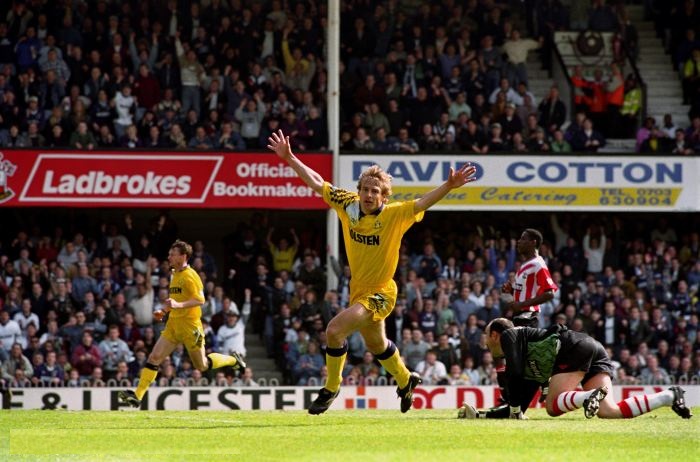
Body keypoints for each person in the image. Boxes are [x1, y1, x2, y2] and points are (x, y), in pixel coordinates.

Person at [267, 129, 477, 414]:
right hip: (359, 290)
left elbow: (422, 202)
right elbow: (318, 183)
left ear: (384, 197)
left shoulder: (395, 214)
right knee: (377, 345)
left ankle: (330, 387)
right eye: (365, 189)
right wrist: (290, 157)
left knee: (334, 331)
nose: (368, 194)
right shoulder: (347, 204)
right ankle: (405, 380)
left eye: (374, 191)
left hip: (381, 292)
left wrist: (448, 186)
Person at [460, 318, 692, 420]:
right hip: (591, 348)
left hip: (574, 348)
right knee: (609, 411)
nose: (484, 342)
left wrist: (502, 369)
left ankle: (586, 397)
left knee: (552, 406)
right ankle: (669, 396)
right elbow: (518, 408)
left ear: (494, 335)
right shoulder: (525, 353)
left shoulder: (511, 335)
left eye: (485, 336)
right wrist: (481, 414)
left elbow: (516, 374)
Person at [118, 240, 246, 407]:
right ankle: (137, 396)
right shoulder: (174, 273)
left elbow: (201, 299)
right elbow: (175, 300)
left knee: (202, 365)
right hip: (173, 325)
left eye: (172, 254)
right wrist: (164, 311)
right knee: (154, 357)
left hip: (191, 327)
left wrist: (178, 306)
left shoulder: (191, 276)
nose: (169, 256)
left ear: (183, 256)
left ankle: (233, 361)